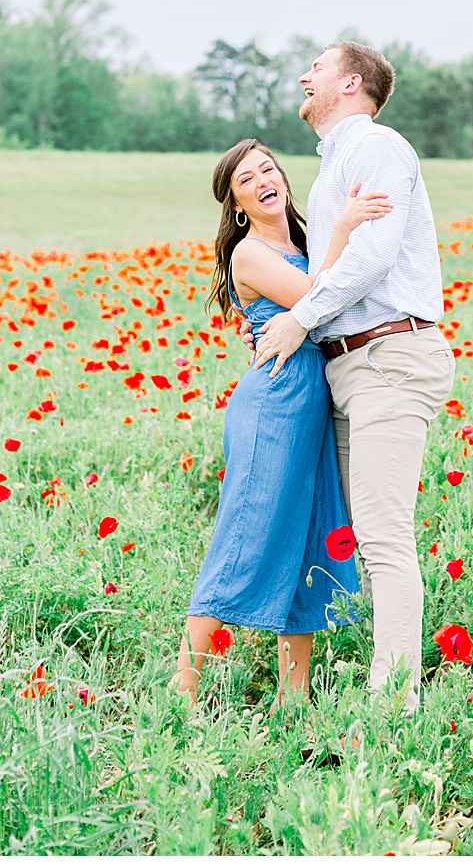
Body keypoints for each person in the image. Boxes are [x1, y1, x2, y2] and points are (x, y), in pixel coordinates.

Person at [252, 42, 454, 712]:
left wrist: (299, 319)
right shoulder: (339, 161)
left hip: (389, 357)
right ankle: (382, 688)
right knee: (364, 536)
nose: (304, 76)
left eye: (317, 66)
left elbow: (372, 255)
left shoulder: (378, 148)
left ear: (350, 83)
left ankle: (394, 706)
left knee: (384, 535)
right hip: (355, 366)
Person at [174, 139, 390, 708]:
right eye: (247, 179)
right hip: (273, 400)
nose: (263, 180)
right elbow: (321, 296)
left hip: (315, 403)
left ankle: (293, 697)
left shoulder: (303, 237)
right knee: (246, 535)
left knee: (311, 537)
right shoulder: (248, 253)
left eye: (268, 168)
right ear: (237, 203)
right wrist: (345, 226)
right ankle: (184, 688)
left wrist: (334, 231)